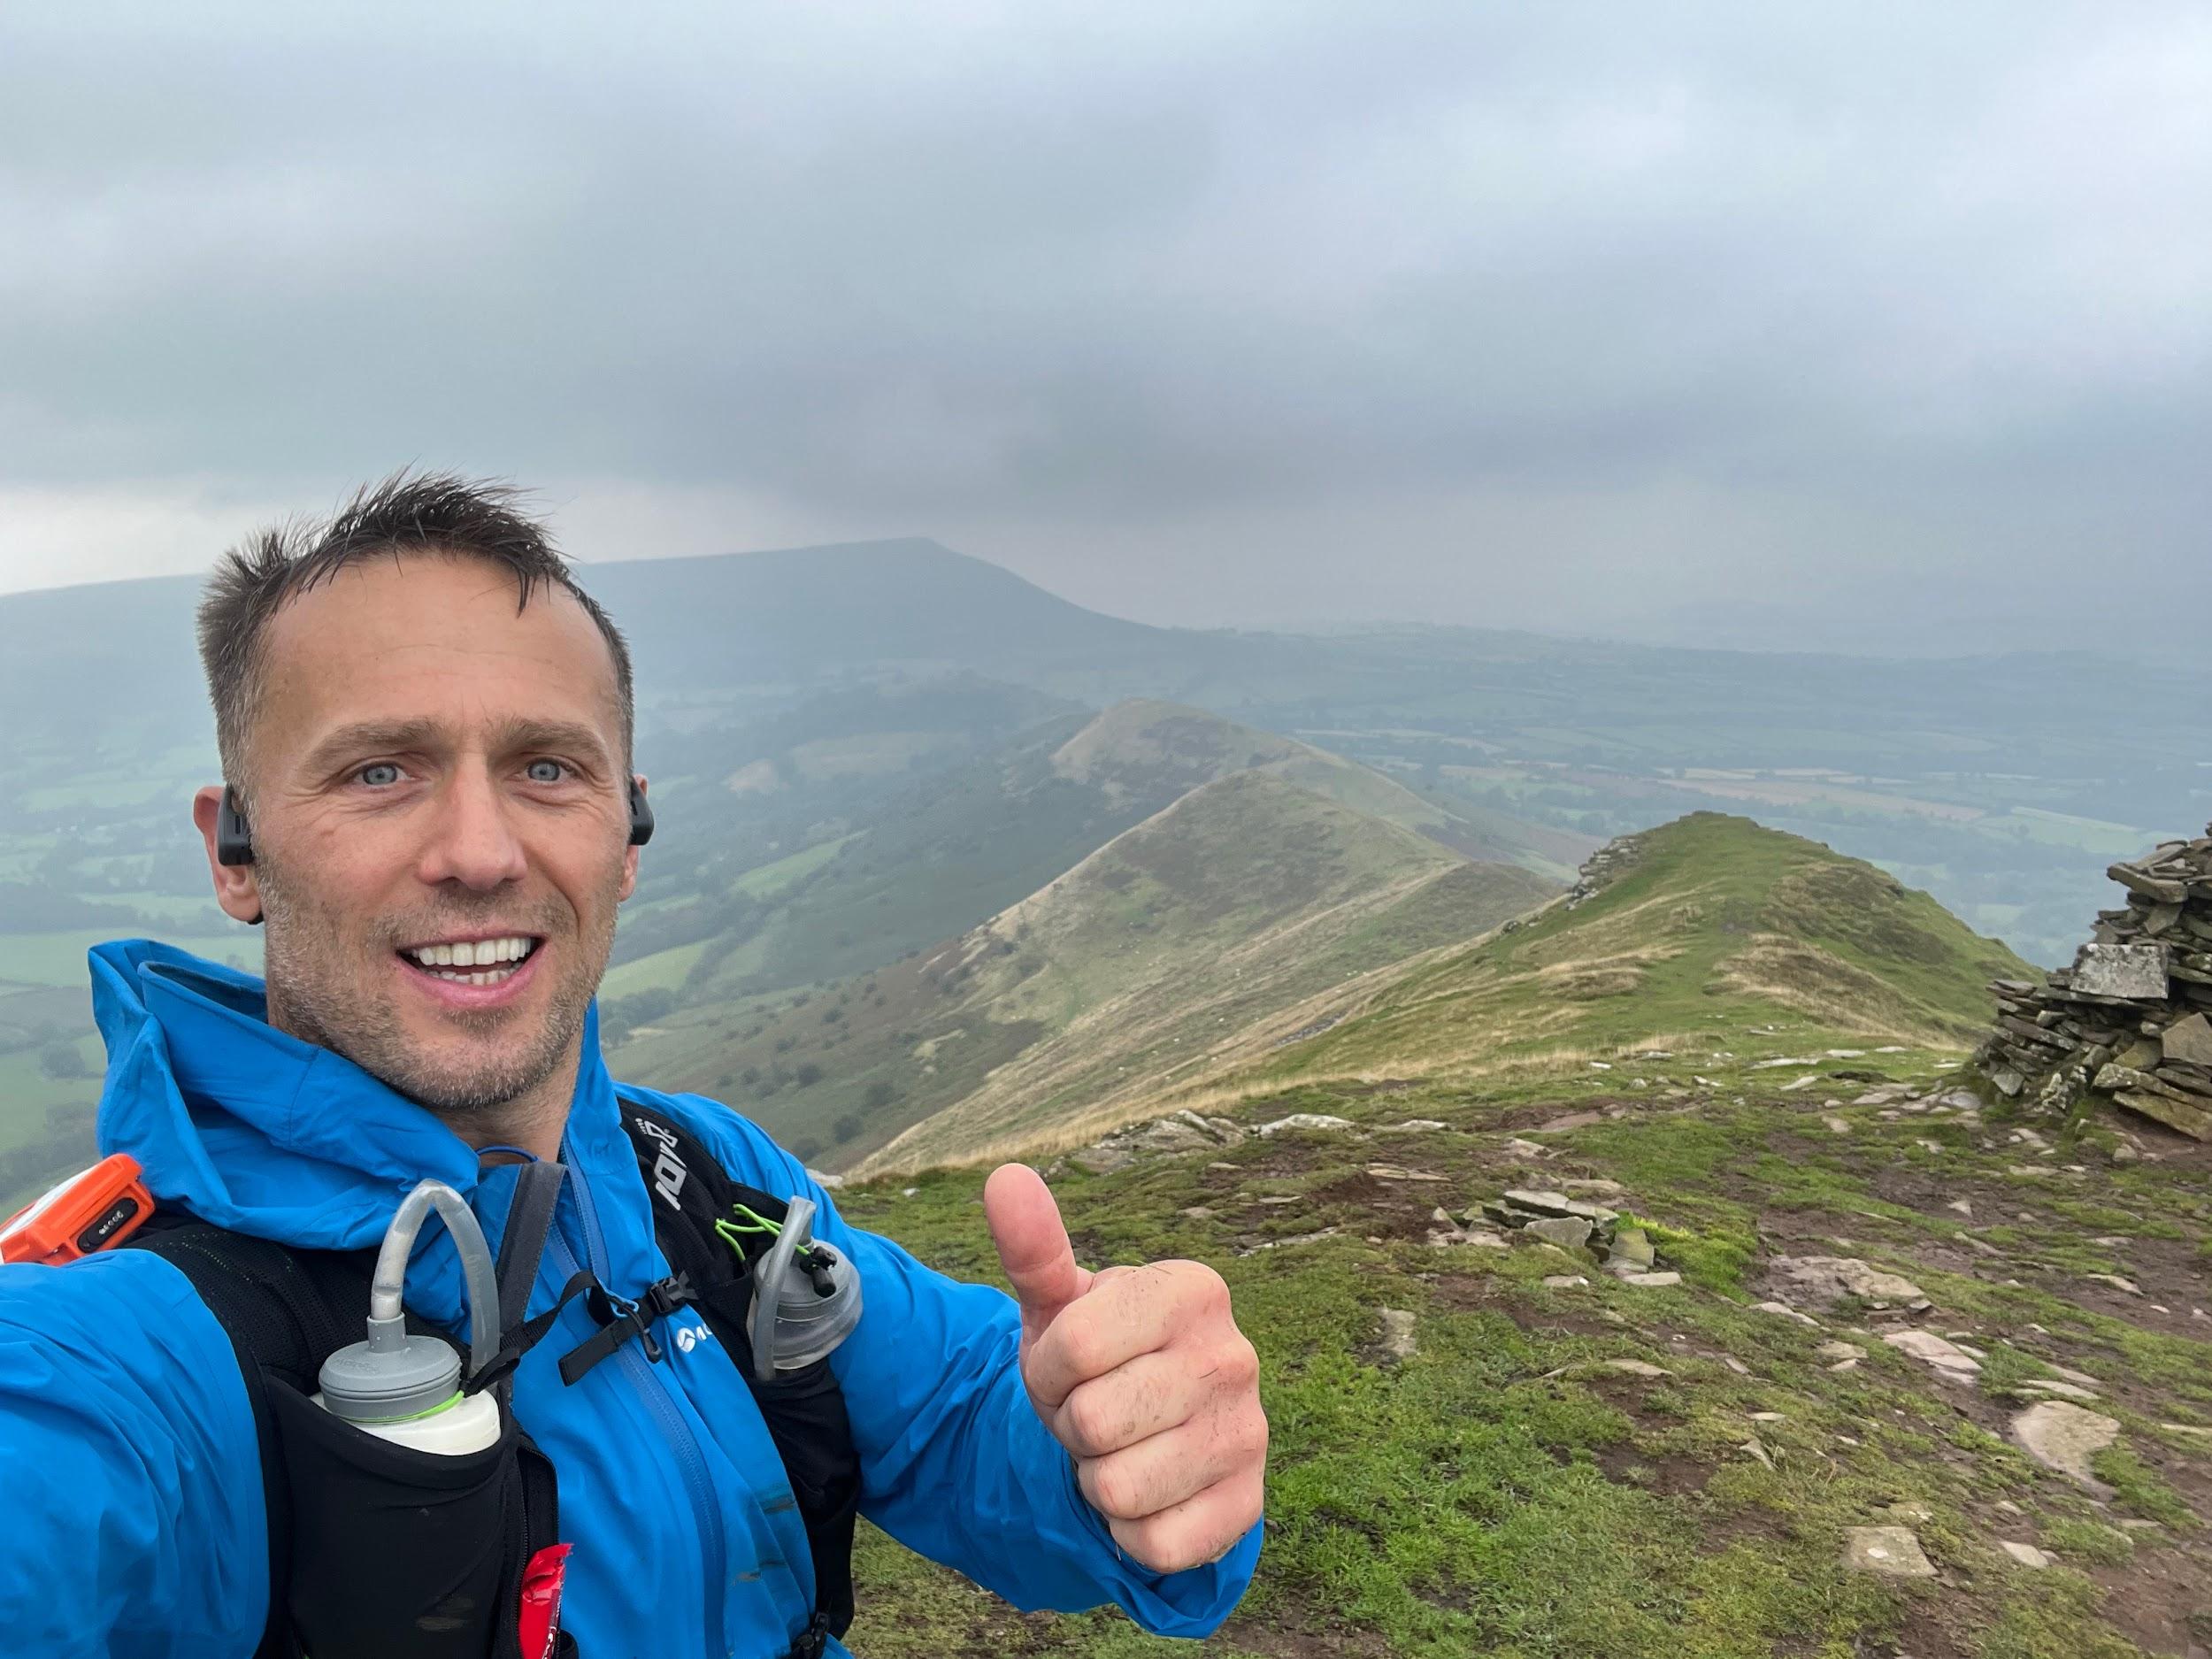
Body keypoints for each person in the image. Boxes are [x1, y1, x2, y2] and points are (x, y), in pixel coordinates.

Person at [0, 474, 1266, 1658]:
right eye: (379, 771)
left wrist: (1123, 1443)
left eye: (548, 768)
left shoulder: (705, 1177)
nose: (481, 850)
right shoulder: (143, 1351)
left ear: (629, 834)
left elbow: (960, 1407)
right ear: (238, 854)